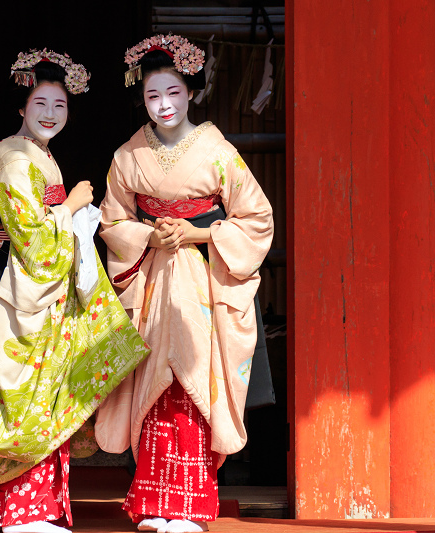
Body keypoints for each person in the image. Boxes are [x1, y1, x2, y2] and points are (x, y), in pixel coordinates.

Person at [0, 49, 150, 533]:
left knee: (43, 396)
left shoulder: (36, 155)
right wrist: (78, 205)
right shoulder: (15, 161)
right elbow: (36, 245)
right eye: (40, 103)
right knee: (28, 398)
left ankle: (22, 510)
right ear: (20, 109)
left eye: (60, 105)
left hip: (42, 296)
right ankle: (28, 512)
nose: (50, 113)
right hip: (27, 294)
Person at [96, 35, 274, 533]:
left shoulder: (218, 152)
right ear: (142, 99)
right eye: (153, 96)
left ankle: (191, 508)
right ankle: (152, 502)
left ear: (190, 91)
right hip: (152, 279)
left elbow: (257, 217)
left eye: (173, 92)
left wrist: (197, 233)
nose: (164, 105)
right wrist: (148, 235)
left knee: (195, 380)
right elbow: (111, 222)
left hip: (199, 278)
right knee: (154, 383)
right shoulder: (128, 156)